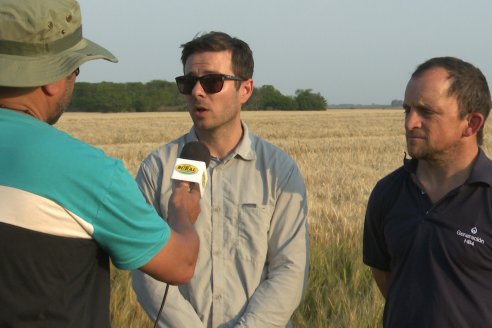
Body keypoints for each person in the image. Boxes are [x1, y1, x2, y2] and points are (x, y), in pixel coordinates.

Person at [0, 0, 201, 326]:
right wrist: (182, 212)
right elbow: (180, 265)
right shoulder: (86, 171)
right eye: (75, 70)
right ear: (53, 78)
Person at [132, 31, 309, 327]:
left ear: (246, 90)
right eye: (188, 83)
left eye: (212, 82)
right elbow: (146, 270)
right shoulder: (157, 169)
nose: (197, 92)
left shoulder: (279, 171)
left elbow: (290, 269)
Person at [363, 56, 492, 327]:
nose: (410, 123)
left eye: (426, 112)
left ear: (472, 124)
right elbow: (386, 277)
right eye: (407, 109)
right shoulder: (388, 193)